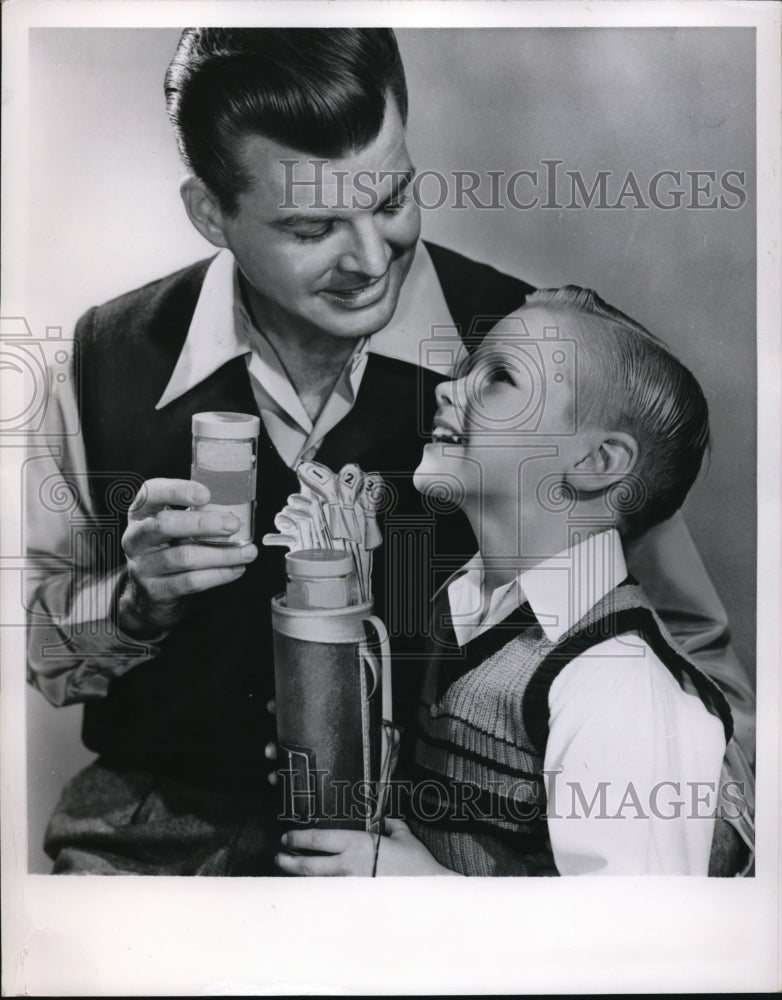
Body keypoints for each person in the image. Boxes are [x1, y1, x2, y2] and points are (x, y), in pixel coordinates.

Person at [26, 29, 754, 876]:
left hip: (434, 856)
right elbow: (39, 649)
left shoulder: (550, 359)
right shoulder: (96, 358)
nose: (372, 261)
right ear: (209, 214)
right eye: (312, 226)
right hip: (151, 851)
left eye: (393, 199)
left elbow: (688, 668)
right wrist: (135, 603)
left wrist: (613, 867)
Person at [275, 287, 755, 876]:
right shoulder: (460, 610)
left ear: (597, 462)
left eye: (499, 376)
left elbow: (628, 943)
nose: (449, 388)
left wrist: (417, 888)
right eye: (465, 370)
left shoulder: (615, 681)